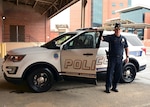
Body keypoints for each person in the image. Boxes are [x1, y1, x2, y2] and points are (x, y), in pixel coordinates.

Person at [101, 23, 129, 93]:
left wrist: (127, 56)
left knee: (118, 74)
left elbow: (126, 47)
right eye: (116, 29)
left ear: (121, 30)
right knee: (110, 73)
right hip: (112, 58)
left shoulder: (123, 39)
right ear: (114, 30)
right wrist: (99, 34)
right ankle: (107, 87)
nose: (118, 31)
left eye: (119, 29)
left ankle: (114, 87)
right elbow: (102, 38)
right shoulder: (111, 37)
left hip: (120, 59)